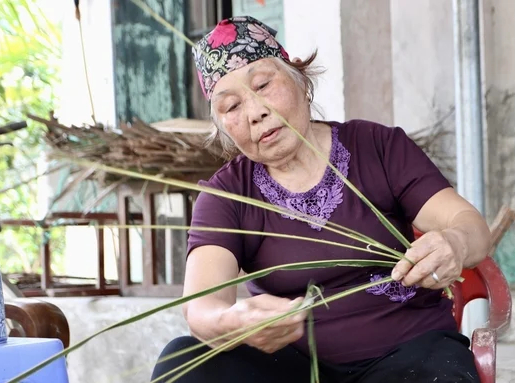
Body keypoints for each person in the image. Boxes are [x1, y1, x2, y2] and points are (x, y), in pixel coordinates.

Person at [151, 16, 491, 383]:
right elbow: (201, 308)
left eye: (263, 84)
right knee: (181, 361)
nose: (255, 112)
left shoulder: (378, 147)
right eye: (231, 107)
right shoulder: (226, 196)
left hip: (411, 354)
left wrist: (454, 242)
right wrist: (233, 320)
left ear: (300, 80)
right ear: (222, 128)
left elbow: (469, 226)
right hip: (293, 367)